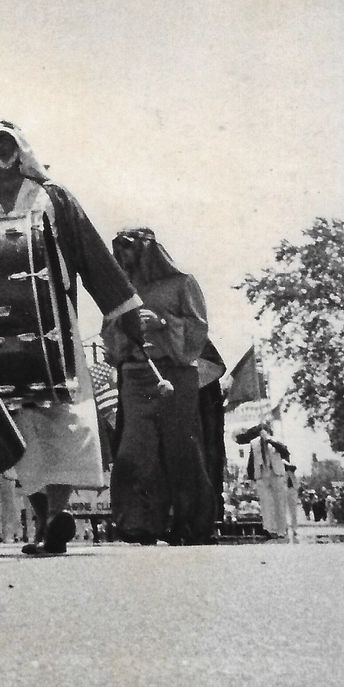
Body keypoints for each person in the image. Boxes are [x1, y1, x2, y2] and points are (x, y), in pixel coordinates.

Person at [0, 121, 151, 560]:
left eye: (2, 141)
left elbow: (91, 254)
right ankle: (46, 519)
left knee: (65, 417)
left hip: (53, 328)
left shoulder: (52, 197)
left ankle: (57, 513)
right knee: (16, 428)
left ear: (19, 146)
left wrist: (124, 309)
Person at [104, 228, 221, 546]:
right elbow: (109, 334)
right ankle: (141, 523)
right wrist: (124, 329)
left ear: (148, 249)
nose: (123, 256)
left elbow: (198, 329)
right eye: (119, 251)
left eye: (129, 248)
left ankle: (191, 524)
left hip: (176, 374)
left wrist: (164, 324)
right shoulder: (122, 291)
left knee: (180, 448)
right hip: (135, 374)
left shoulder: (183, 283)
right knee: (134, 450)